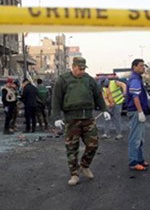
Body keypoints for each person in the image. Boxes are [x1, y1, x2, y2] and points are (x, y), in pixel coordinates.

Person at [50, 57, 110, 186]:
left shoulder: (89, 80)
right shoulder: (63, 80)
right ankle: (74, 174)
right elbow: (56, 100)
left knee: (93, 144)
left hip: (88, 117)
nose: (82, 71)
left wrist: (104, 109)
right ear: (73, 66)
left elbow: (98, 95)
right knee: (72, 148)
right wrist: (56, 117)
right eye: (80, 68)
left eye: (84, 68)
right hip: (71, 119)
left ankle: (84, 165)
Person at [125, 58, 150, 171]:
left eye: (143, 65)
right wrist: (140, 111)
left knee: (139, 137)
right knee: (135, 138)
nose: (143, 67)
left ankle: (139, 159)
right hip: (136, 111)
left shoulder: (136, 78)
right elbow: (135, 97)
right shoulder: (135, 79)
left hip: (137, 110)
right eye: (141, 65)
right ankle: (133, 162)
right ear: (134, 67)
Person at [101, 76, 128, 140]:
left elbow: (123, 85)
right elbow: (104, 98)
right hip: (110, 104)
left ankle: (119, 134)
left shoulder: (114, 82)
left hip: (118, 103)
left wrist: (124, 91)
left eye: (103, 83)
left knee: (117, 117)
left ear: (106, 81)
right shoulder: (103, 89)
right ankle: (106, 133)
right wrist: (108, 104)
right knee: (107, 118)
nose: (102, 85)